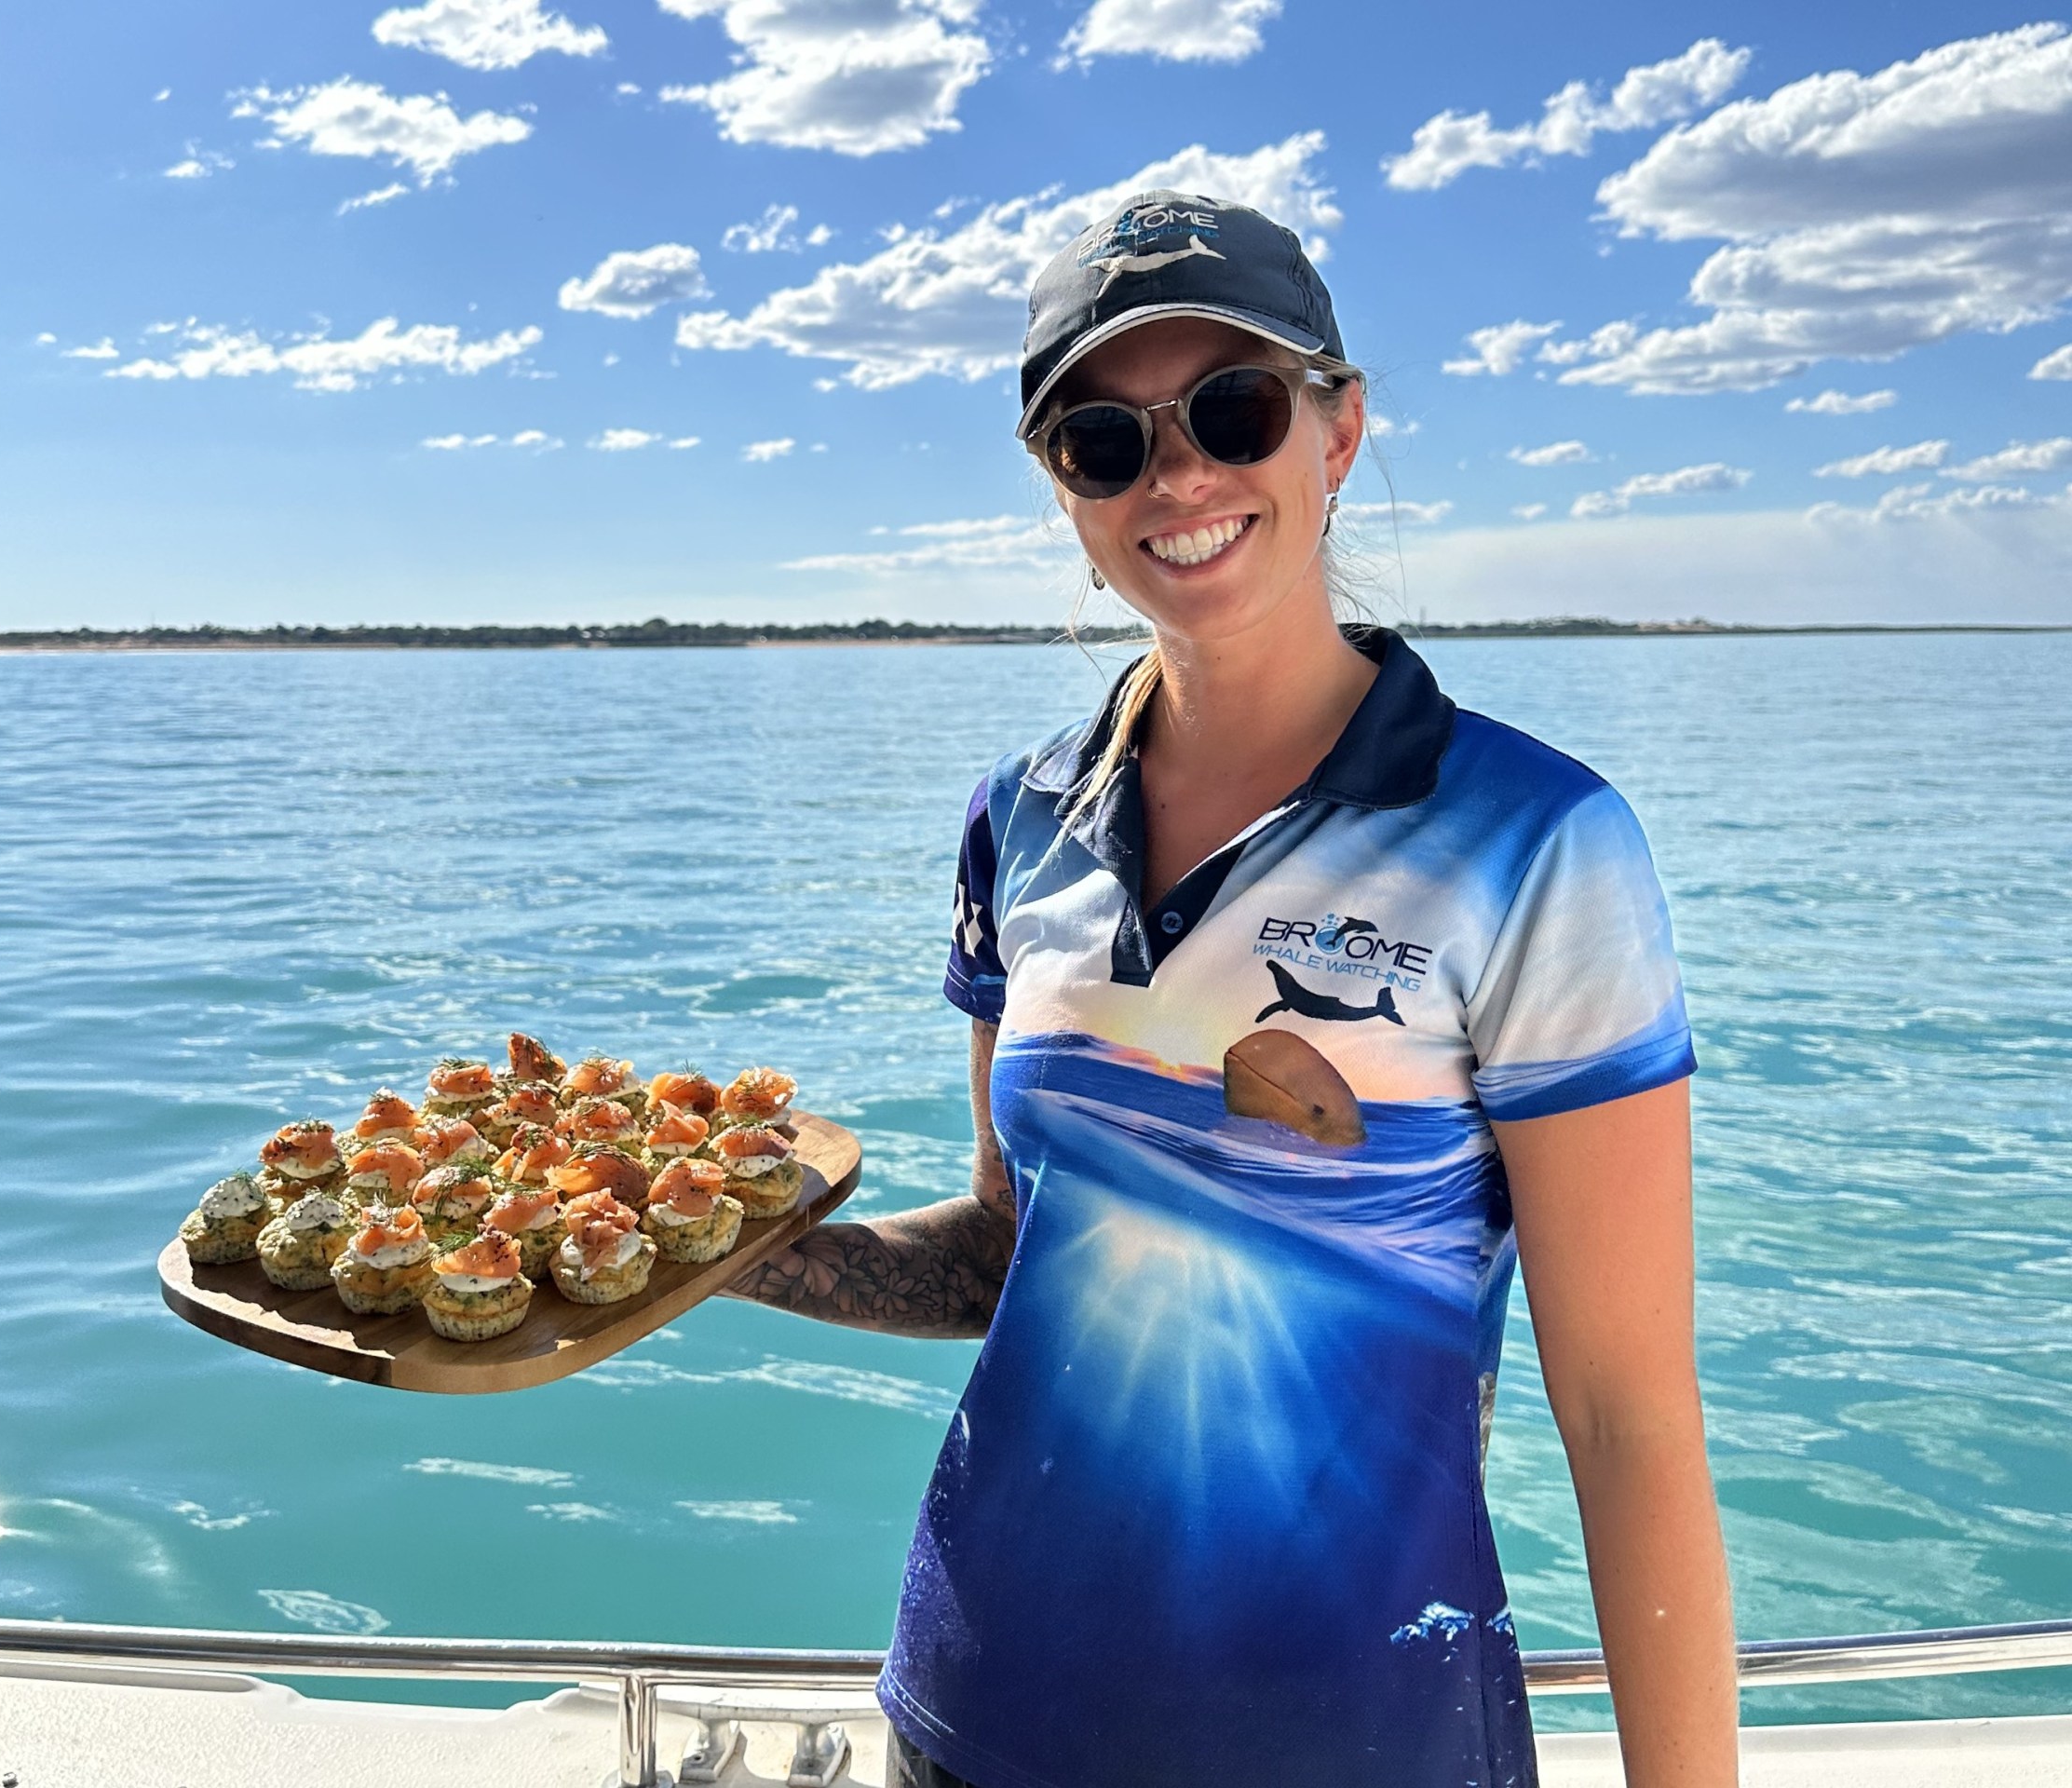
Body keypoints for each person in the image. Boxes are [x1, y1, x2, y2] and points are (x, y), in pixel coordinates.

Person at [725, 190, 1737, 1788]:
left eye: (1234, 408)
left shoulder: (1537, 842)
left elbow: (1624, 1418)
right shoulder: (1023, 813)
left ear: (1337, 434)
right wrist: (699, 1256)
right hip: (972, 1714)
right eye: (1105, 442)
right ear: (1063, 489)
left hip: (1358, 1737)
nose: (1179, 474)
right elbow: (1008, 1253)